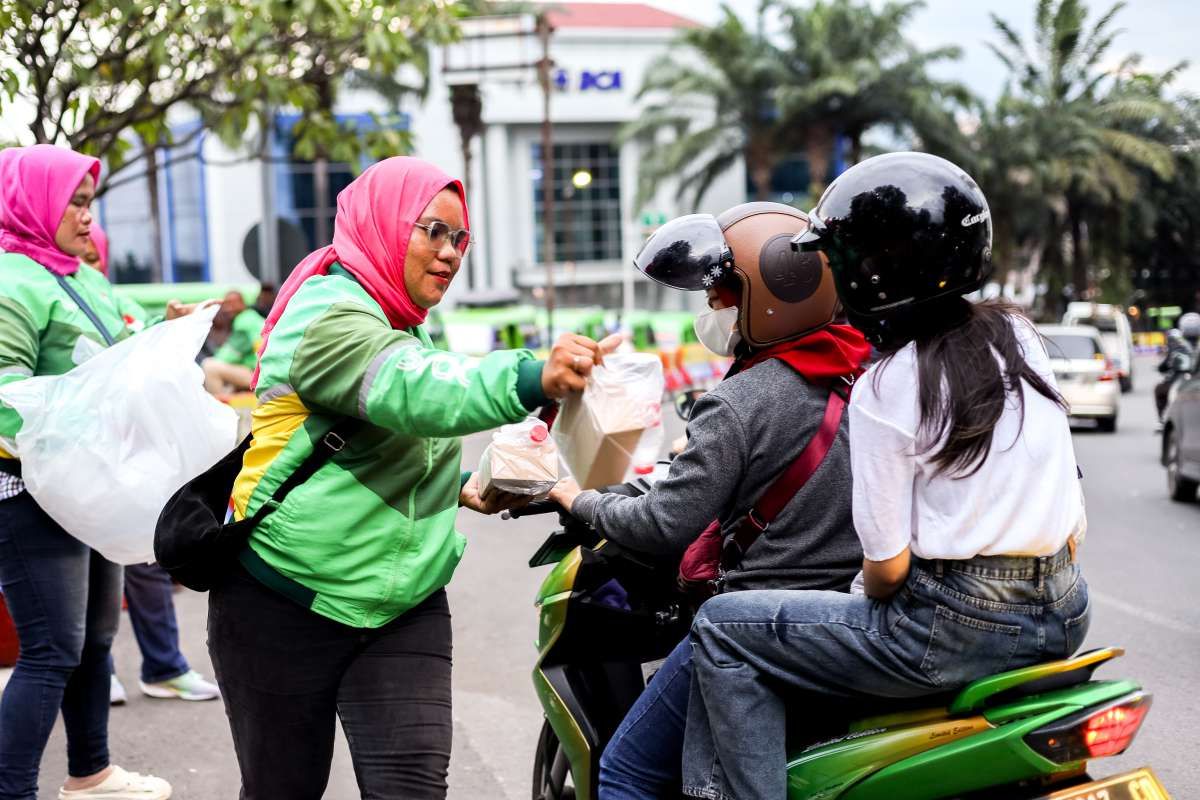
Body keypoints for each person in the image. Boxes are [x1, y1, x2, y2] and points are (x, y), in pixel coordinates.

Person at [681, 152, 1091, 800]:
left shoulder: (887, 385)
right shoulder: (1018, 337)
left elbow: (887, 571)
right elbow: (1071, 512)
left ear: (873, 271)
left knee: (721, 627)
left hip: (948, 628)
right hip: (1066, 609)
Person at [206, 156, 608, 800]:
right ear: (385, 226)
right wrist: (530, 378)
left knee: (412, 790)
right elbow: (409, 389)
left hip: (405, 604)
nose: (449, 254)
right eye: (432, 232)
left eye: (460, 238)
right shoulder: (328, 316)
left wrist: (462, 486)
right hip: (284, 597)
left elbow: (388, 430)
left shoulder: (400, 319)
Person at [549, 203, 871, 799]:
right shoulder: (872, 375)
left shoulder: (739, 401)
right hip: (849, 622)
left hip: (754, 624)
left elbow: (662, 523)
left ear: (773, 296)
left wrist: (577, 498)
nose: (712, 311)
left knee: (624, 772)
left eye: (722, 296)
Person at [0, 145, 173, 799]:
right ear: (33, 203)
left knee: (97, 638)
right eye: (73, 201)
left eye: (88, 202)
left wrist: (163, 329)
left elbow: (115, 349)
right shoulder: (11, 281)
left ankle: (91, 774)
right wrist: (72, 433)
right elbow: (3, 392)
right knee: (50, 651)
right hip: (31, 493)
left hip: (89, 486)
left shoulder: (79, 276)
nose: (84, 215)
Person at [75, 225, 222, 706]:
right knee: (85, 577)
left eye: (99, 254)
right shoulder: (39, 293)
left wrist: (169, 327)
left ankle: (162, 666)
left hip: (124, 456)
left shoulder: (104, 296)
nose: (91, 258)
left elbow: (131, 357)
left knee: (145, 559)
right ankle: (98, 673)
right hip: (77, 463)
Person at [200, 290, 264, 396]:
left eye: (232, 303)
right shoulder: (253, 317)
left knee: (209, 366)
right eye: (226, 304)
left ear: (242, 303)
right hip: (263, 371)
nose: (228, 308)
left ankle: (218, 408)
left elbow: (231, 354)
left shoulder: (244, 321)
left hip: (259, 375)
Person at [1155, 328, 1194, 424]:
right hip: (1189, 381)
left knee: (1159, 390)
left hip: (1179, 383)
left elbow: (1163, 367)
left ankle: (1161, 419)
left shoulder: (1174, 351)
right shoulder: (1190, 349)